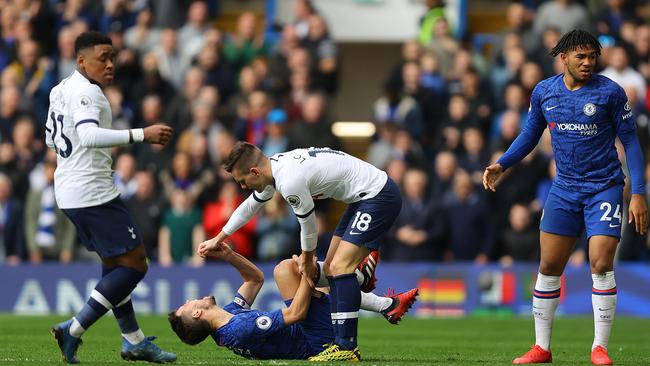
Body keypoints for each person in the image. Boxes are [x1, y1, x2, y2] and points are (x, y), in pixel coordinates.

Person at [483, 30, 648, 366]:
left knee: (600, 264)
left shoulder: (610, 93)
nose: (588, 63)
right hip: (564, 189)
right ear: (564, 58)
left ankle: (599, 348)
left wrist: (639, 193)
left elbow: (631, 143)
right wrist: (503, 164)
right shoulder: (545, 91)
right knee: (549, 267)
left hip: (604, 186)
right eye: (581, 57)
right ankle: (541, 348)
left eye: (592, 57)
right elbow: (530, 135)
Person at [197, 142, 402, 361]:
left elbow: (309, 226)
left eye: (243, 181)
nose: (244, 187)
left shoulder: (289, 181)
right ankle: (363, 278)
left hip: (377, 196)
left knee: (340, 268)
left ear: (255, 171)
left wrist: (307, 259)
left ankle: (346, 346)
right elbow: (250, 206)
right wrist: (218, 238)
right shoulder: (273, 167)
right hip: (360, 198)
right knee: (332, 270)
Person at [47, 31, 176, 364]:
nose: (110, 64)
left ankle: (133, 341)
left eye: (113, 57)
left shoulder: (59, 90)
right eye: (102, 57)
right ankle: (73, 330)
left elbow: (52, 141)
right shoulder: (88, 93)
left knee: (115, 265)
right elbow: (88, 136)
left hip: (69, 189)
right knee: (136, 265)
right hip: (92, 191)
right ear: (81, 60)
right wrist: (142, 134)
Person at [170, 241, 418, 360]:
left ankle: (387, 305)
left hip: (310, 332)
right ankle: (362, 280)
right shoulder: (239, 329)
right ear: (196, 314)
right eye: (187, 304)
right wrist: (307, 277)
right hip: (318, 343)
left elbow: (255, 279)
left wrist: (229, 255)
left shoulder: (228, 319)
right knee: (286, 270)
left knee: (304, 277)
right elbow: (296, 314)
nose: (191, 299)